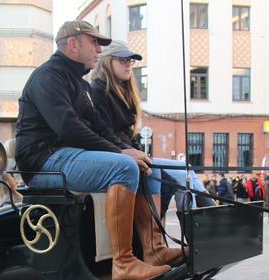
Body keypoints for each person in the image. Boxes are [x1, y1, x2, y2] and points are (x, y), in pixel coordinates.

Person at [15, 21, 181, 280]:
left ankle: (153, 251)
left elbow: (100, 128)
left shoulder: (79, 84)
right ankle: (123, 263)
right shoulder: (47, 77)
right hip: (44, 162)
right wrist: (120, 153)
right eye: (95, 43)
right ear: (73, 43)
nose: (99, 50)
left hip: (67, 155)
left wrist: (130, 151)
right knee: (123, 167)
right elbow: (68, 128)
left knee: (147, 166)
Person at [89, 40, 210, 212]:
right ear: (107, 62)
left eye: (130, 61)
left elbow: (126, 135)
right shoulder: (99, 91)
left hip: (129, 154)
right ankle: (206, 225)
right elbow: (106, 133)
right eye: (122, 60)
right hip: (120, 156)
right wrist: (134, 153)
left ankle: (202, 223)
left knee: (186, 172)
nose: (128, 65)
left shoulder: (120, 92)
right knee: (184, 174)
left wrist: (139, 152)